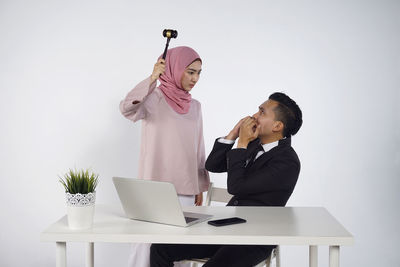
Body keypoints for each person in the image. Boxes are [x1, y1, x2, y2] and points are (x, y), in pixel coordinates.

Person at [150, 92, 303, 267]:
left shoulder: (287, 161)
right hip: (227, 228)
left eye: (262, 112)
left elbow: (236, 187)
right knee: (160, 247)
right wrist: (233, 134)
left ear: (277, 125)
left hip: (255, 238)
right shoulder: (253, 144)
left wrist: (242, 144)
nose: (254, 116)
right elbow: (213, 165)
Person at [120, 46, 210, 267]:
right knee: (145, 245)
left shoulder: (195, 107)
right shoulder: (153, 99)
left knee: (178, 250)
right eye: (190, 71)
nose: (195, 78)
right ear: (174, 67)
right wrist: (152, 78)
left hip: (186, 190)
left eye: (198, 72)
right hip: (154, 188)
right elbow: (126, 109)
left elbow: (197, 148)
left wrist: (199, 184)